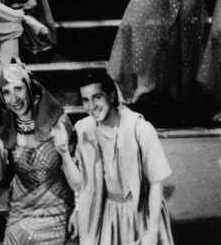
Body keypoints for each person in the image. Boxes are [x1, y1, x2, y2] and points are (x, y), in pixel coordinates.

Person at [0, 61, 80, 245]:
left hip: (55, 211)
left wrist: (78, 209)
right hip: (19, 212)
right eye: (6, 92)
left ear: (30, 90)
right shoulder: (7, 128)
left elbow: (77, 177)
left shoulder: (58, 122)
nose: (14, 99)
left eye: (18, 89)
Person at [72, 73, 174, 245]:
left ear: (111, 96)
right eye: (85, 100)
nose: (91, 106)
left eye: (97, 97)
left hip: (141, 212)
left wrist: (152, 232)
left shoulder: (140, 128)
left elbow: (156, 183)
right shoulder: (84, 129)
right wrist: (77, 211)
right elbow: (83, 180)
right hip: (108, 213)